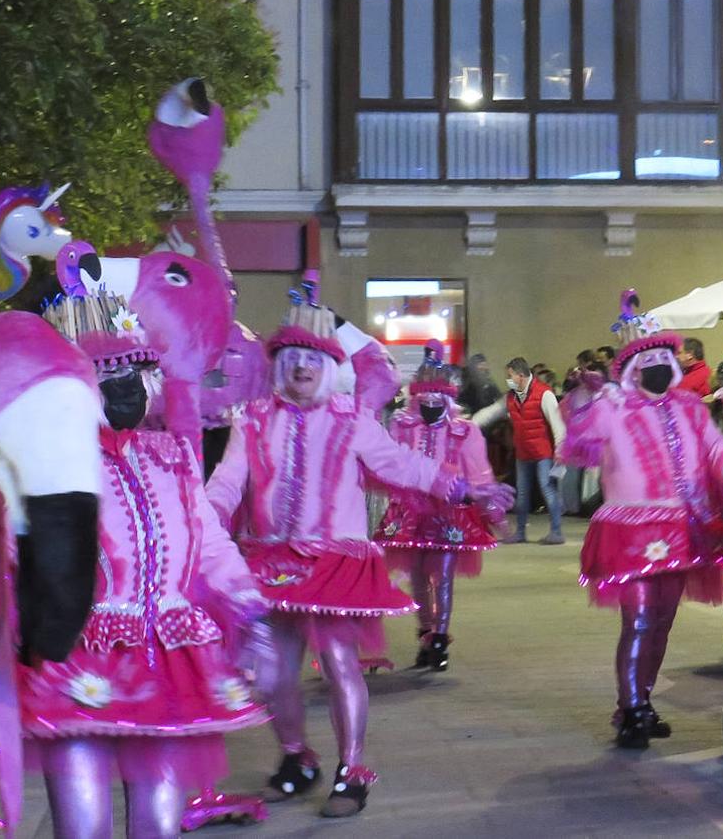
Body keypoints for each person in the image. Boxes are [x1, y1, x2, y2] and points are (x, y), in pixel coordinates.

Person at [206, 288, 511, 817]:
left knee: (339, 662)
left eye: (312, 358)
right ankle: (297, 757)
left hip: (335, 560)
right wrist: (200, 521)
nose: (301, 367)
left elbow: (400, 465)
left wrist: (467, 490)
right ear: (277, 366)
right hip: (270, 562)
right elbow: (228, 483)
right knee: (274, 676)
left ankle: (352, 770)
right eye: (291, 357)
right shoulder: (253, 418)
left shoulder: (350, 418)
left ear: (328, 366)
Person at [0, 292, 270, 838]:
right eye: (109, 374)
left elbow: (209, 543)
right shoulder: (39, 465)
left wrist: (249, 610)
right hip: (75, 660)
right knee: (84, 828)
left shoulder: (171, 456)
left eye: (141, 371)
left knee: (160, 826)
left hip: (168, 658)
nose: (131, 388)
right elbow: (10, 559)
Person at [560, 291, 723, 749]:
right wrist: (583, 397)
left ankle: (643, 700)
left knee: (663, 621)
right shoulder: (614, 406)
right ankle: (630, 706)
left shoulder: (690, 409)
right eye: (646, 359)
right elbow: (581, 438)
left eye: (662, 358)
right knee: (637, 621)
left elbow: (717, 450)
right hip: (629, 531)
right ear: (632, 368)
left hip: (681, 528)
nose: (656, 366)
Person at [374, 341, 507, 671]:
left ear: (448, 400)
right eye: (425, 400)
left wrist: (490, 505)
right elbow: (390, 466)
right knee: (418, 576)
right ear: (416, 399)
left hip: (449, 513)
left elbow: (478, 472)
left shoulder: (464, 431)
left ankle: (439, 638)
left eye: (438, 400)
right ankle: (425, 632)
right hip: (410, 511)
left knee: (442, 576)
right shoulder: (403, 427)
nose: (431, 405)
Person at [472, 357, 566, 545]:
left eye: (510, 376)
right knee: (522, 494)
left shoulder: (544, 394)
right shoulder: (511, 397)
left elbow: (557, 424)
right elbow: (491, 413)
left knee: (548, 491)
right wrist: (469, 424)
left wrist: (560, 448)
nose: (508, 379)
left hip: (543, 453)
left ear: (520, 375)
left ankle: (556, 532)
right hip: (523, 453)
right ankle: (521, 532)